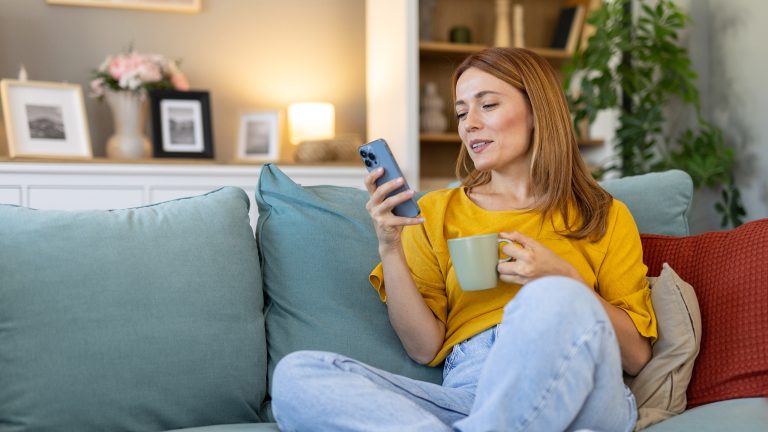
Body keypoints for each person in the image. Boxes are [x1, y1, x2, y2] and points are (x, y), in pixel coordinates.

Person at [270, 47, 657, 432]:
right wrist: (389, 245)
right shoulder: (436, 212)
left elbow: (637, 357)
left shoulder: (602, 214)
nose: (468, 124)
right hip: (470, 393)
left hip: (583, 388)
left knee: (553, 298)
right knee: (298, 375)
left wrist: (565, 280)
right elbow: (423, 348)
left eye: (487, 105)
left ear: (538, 112)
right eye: (460, 112)